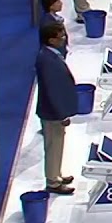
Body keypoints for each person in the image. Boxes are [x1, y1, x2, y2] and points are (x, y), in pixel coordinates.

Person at [35, 22, 77, 195]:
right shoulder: (46, 60)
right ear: (51, 40)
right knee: (53, 147)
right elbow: (52, 90)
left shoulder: (52, 54)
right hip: (52, 112)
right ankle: (52, 182)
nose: (64, 39)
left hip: (54, 110)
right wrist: (61, 114)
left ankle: (56, 174)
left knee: (57, 145)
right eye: (61, 37)